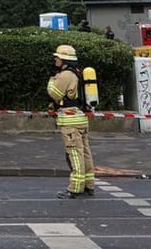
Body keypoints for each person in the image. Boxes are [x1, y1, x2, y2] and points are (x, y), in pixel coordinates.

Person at [48, 44, 95, 198]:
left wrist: (51, 81)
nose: (55, 60)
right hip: (80, 118)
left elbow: (54, 93)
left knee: (74, 153)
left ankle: (75, 188)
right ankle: (89, 185)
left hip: (70, 121)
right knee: (85, 153)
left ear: (64, 59)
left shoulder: (66, 75)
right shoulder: (77, 72)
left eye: (57, 57)